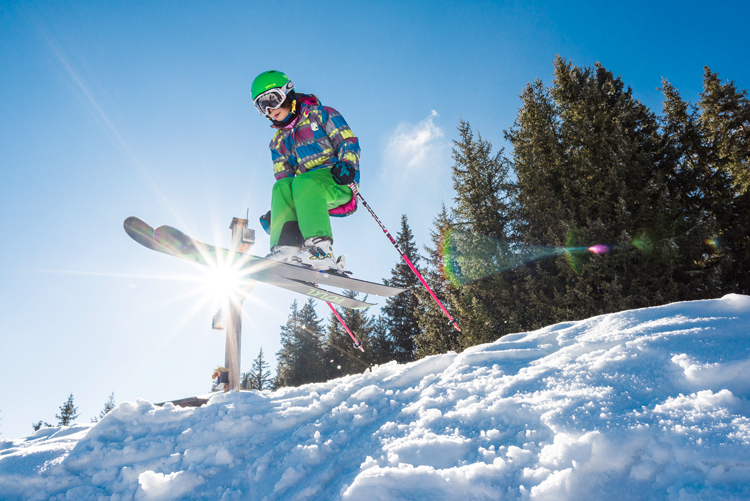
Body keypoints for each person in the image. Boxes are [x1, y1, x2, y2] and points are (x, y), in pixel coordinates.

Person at [251, 70, 360, 272]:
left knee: (304, 182)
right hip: (307, 194)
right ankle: (286, 249)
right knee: (281, 187)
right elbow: (285, 180)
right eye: (261, 105)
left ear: (287, 93)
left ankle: (320, 251)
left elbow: (347, 140)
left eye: (272, 100)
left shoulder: (322, 114)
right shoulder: (277, 142)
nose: (269, 109)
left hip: (337, 179)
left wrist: (347, 164)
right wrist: (279, 215)